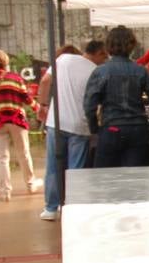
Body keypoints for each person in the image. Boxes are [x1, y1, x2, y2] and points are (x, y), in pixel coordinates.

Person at [36, 40, 105, 220]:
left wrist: (42, 105)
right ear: (98, 53)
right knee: (76, 170)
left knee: (53, 166)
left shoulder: (64, 59)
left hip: (56, 122)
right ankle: (74, 207)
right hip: (80, 126)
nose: (105, 60)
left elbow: (45, 81)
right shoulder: (95, 71)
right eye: (104, 56)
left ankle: (51, 208)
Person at [84, 25, 149, 168]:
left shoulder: (100, 72)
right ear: (132, 45)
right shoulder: (141, 71)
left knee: (104, 177)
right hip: (137, 130)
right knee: (134, 177)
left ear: (108, 46)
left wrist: (94, 128)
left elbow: (89, 105)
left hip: (111, 128)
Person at [0, 49, 40, 201]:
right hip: (16, 119)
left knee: (2, 157)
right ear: (6, 62)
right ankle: (30, 184)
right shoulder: (15, 78)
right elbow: (26, 98)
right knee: (24, 153)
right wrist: (37, 109)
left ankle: (5, 191)